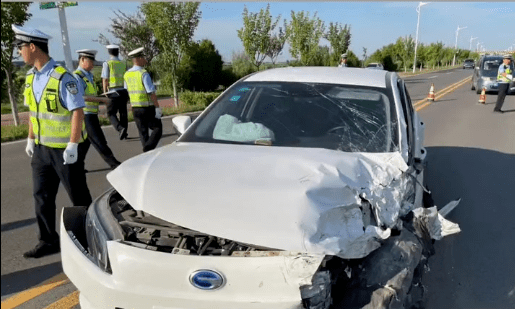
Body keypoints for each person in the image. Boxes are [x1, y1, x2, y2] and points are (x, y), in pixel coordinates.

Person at [12, 24, 92, 258]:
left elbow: (77, 110)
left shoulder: (62, 78)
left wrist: (73, 144)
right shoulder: (30, 78)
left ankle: (89, 238)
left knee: (78, 197)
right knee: (41, 196)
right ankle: (47, 240)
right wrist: (30, 139)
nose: (19, 52)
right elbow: (33, 112)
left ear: (33, 47)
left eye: (21, 47)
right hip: (41, 149)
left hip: (63, 151)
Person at [73, 49, 121, 169]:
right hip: (85, 115)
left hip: (91, 114)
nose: (93, 64)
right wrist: (102, 100)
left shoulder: (88, 76)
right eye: (91, 61)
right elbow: (81, 97)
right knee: (99, 141)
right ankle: (114, 164)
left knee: (85, 143)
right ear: (82, 59)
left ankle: (76, 166)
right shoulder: (77, 77)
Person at [124, 47, 163, 152]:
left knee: (142, 132)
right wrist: (157, 108)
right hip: (147, 107)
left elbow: (127, 91)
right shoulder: (143, 73)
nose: (145, 60)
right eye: (143, 57)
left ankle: (146, 154)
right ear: (139, 58)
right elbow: (151, 92)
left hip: (135, 108)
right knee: (158, 128)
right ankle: (148, 149)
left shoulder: (127, 74)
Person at [101, 44, 129, 139]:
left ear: (109, 52)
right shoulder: (123, 63)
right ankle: (124, 132)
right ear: (118, 52)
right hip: (123, 90)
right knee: (123, 113)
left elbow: (105, 78)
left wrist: (105, 91)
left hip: (113, 91)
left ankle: (120, 128)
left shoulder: (107, 63)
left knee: (111, 113)